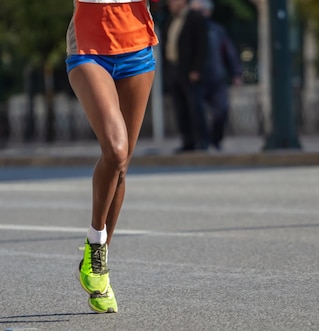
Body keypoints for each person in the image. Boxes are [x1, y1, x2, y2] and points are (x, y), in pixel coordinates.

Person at [65, 0, 159, 313]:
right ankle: (95, 242)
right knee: (115, 149)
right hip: (88, 47)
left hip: (137, 48)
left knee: (122, 165)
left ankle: (99, 266)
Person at [190, 0, 243, 150]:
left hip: (216, 77)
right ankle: (203, 142)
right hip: (198, 78)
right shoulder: (189, 30)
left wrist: (236, 73)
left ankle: (216, 139)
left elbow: (229, 52)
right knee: (198, 114)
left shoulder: (217, 30)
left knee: (222, 110)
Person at [162, 0, 210, 152]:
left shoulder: (196, 18)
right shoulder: (171, 19)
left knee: (195, 107)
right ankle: (187, 141)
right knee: (180, 108)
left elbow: (202, 45)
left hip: (190, 71)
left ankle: (202, 141)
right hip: (174, 69)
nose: (170, 4)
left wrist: (196, 69)